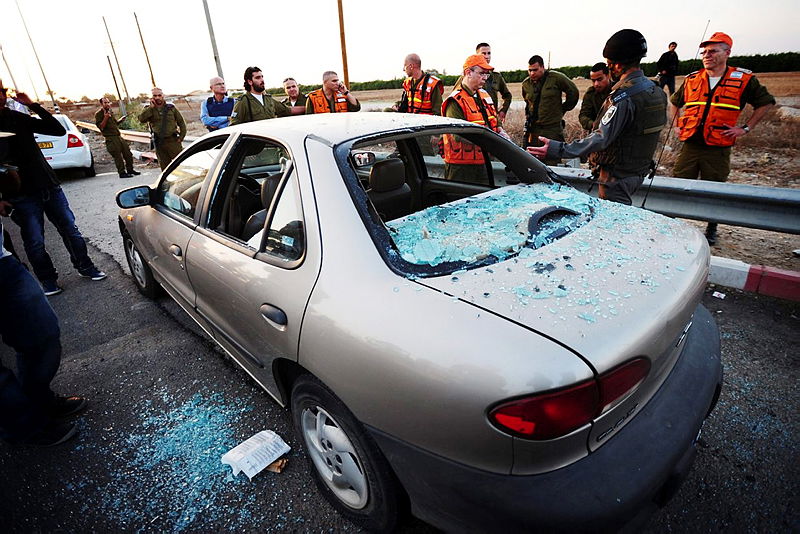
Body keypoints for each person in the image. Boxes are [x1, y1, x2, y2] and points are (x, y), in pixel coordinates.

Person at [528, 29, 667, 206]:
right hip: (638, 172)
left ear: (616, 65)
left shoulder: (623, 97)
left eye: (609, 64)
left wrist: (559, 149)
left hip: (616, 178)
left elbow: (601, 137)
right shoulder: (655, 90)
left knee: (613, 225)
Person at [0, 81, 107, 296]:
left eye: (1, 93)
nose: (1, 97)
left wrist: (33, 105)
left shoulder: (17, 118)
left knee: (70, 229)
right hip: (19, 195)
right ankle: (48, 280)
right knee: (34, 240)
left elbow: (57, 130)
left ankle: (86, 266)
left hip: (49, 185)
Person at [671, 32, 775, 245]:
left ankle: (711, 228)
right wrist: (676, 125)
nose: (707, 55)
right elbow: (675, 102)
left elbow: (765, 103)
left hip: (718, 146)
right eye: (704, 52)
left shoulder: (743, 80)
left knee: (715, 187)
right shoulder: (693, 79)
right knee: (677, 183)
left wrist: (745, 128)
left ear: (727, 53)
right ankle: (670, 223)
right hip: (691, 142)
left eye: (713, 51)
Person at [441, 54, 504, 184]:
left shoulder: (484, 95)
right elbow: (457, 135)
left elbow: (494, 119)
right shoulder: (455, 101)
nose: (485, 78)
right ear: (468, 73)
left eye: (487, 74)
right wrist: (491, 140)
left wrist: (501, 131)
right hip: (460, 167)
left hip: (483, 162)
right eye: (482, 73)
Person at [521, 54, 579, 164]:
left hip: (552, 129)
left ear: (543, 67)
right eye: (530, 70)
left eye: (535, 70)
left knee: (552, 161)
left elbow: (573, 92)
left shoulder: (555, 78)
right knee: (533, 161)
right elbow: (527, 103)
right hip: (534, 130)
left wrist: (562, 109)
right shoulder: (526, 84)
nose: (532, 73)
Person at [454, 44, 512, 125]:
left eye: (489, 53)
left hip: (492, 120)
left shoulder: (496, 77)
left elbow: (507, 95)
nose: (487, 56)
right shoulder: (467, 77)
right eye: (483, 53)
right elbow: (457, 97)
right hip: (474, 121)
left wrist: (503, 111)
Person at [231, 67, 300, 126]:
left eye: (262, 77)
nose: (262, 80)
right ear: (250, 82)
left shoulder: (268, 99)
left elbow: (288, 110)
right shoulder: (243, 101)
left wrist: (309, 105)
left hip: (271, 139)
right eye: (258, 78)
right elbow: (234, 126)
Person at [137, 88, 186, 171]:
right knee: (165, 167)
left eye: (159, 95)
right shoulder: (148, 109)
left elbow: (181, 122)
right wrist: (151, 108)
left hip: (173, 141)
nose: (157, 98)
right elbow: (141, 119)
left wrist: (181, 137)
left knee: (181, 164)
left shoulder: (171, 108)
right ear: (151, 97)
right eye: (155, 96)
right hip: (159, 143)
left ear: (163, 96)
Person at [95, 97, 139, 179]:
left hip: (118, 136)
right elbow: (101, 127)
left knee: (128, 154)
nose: (107, 104)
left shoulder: (110, 112)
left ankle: (130, 170)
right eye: (105, 103)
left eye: (108, 102)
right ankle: (122, 173)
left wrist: (121, 120)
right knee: (118, 156)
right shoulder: (99, 114)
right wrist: (105, 117)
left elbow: (115, 124)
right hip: (111, 138)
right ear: (101, 104)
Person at [578, 63, 612, 132]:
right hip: (597, 133)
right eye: (593, 81)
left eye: (600, 79)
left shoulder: (618, 90)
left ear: (608, 76)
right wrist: (593, 125)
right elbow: (583, 115)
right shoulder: (591, 94)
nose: (596, 84)